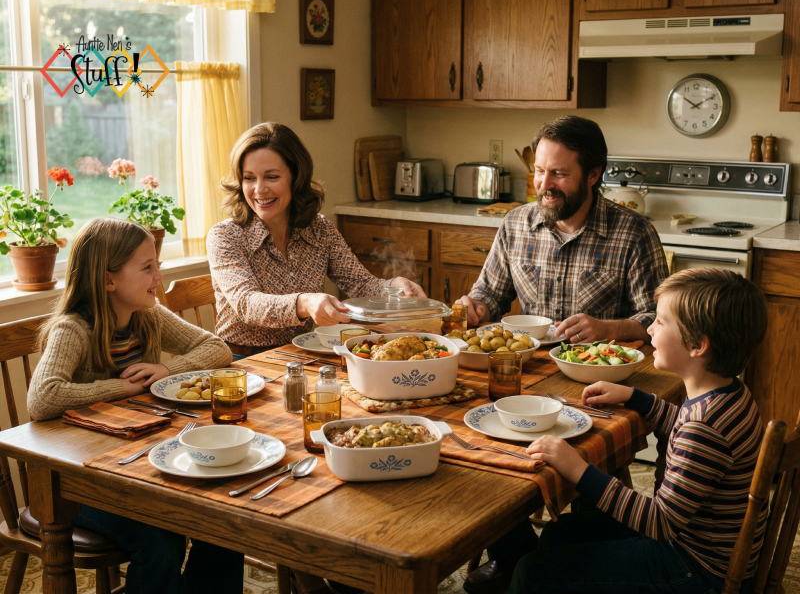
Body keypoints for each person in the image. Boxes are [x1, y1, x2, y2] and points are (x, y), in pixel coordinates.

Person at [466, 268, 769, 594]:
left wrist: (577, 468)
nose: (650, 327)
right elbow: (679, 423)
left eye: (661, 322)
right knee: (559, 534)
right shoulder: (729, 394)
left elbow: (659, 522)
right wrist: (634, 397)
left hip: (693, 570)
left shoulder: (703, 428)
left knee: (533, 572)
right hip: (703, 549)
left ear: (698, 345)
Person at [27, 217, 243, 594]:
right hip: (78, 485)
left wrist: (165, 368)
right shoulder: (73, 328)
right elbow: (43, 397)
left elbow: (217, 348)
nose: (158, 276)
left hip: (138, 466)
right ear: (108, 279)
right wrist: (118, 388)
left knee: (225, 524)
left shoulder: (148, 315)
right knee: (160, 544)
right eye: (147, 268)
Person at [207, 122, 424, 358]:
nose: (259, 189)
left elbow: (360, 284)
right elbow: (247, 304)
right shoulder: (225, 236)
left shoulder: (320, 230)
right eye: (249, 178)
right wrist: (304, 302)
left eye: (271, 177)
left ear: (296, 178)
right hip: (241, 362)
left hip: (301, 353)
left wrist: (393, 287)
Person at [456, 115, 669, 345]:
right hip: (530, 363)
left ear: (593, 175)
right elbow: (489, 296)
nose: (545, 185)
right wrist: (475, 307)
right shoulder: (515, 224)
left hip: (598, 370)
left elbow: (659, 319)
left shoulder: (635, 234)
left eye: (559, 174)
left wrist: (606, 329)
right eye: (539, 171)